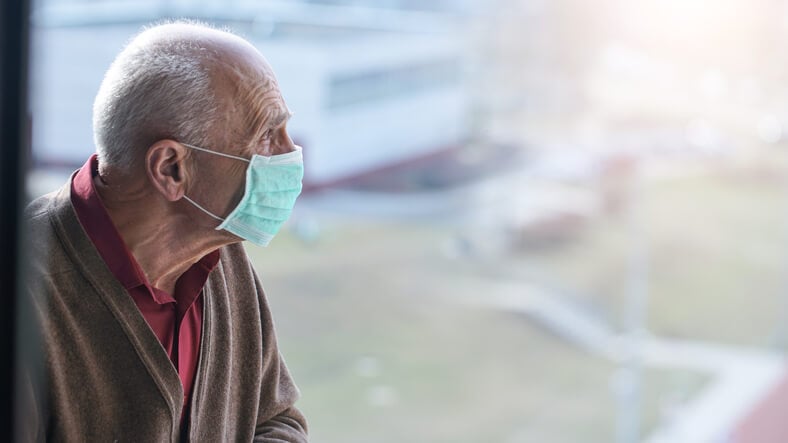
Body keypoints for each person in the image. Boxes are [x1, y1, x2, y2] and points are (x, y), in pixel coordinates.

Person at [20, 21, 308, 442]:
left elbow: (277, 420)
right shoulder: (26, 292)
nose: (291, 151)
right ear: (171, 168)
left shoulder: (221, 253)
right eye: (267, 135)